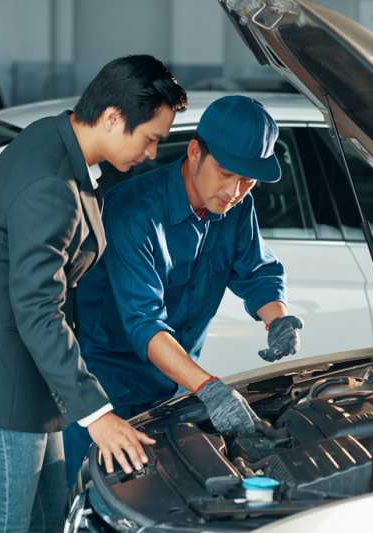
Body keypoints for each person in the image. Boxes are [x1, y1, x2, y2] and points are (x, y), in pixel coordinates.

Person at [0, 55, 187, 532]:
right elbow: (37, 307)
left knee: (48, 523)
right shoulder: (50, 185)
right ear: (112, 117)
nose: (152, 153)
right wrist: (98, 415)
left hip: (30, 383)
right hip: (1, 391)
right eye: (149, 138)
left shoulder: (54, 138)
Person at [62, 95, 304, 485]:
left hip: (175, 389)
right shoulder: (133, 213)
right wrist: (210, 388)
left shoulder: (236, 207)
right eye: (226, 172)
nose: (236, 190)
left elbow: (257, 270)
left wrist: (278, 317)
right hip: (110, 393)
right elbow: (144, 323)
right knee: (95, 502)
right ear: (195, 152)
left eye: (248, 179)